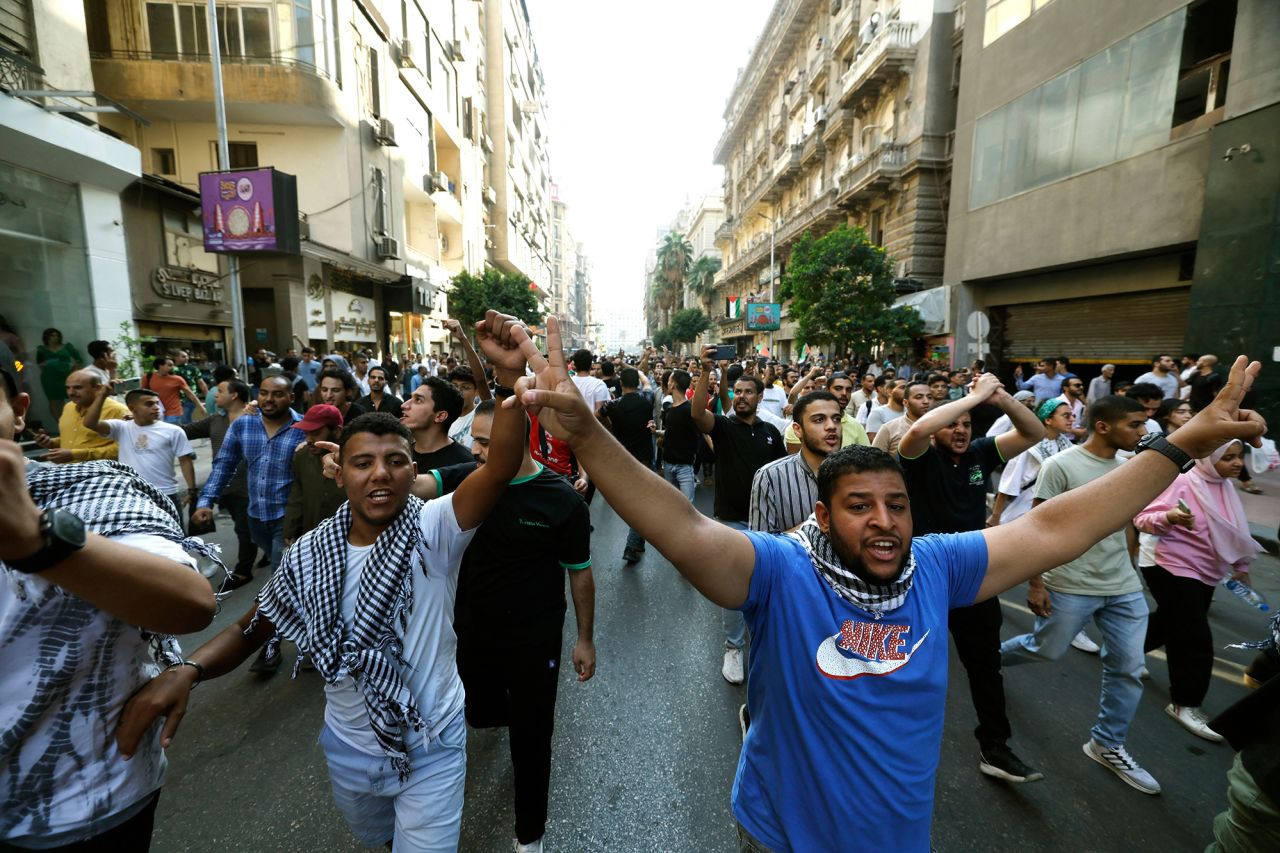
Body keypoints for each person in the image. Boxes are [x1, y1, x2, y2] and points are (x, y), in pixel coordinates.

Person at [510, 318, 1267, 851]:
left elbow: (1053, 527)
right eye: (860, 506)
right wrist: (586, 434)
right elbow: (684, 525)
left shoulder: (935, 565)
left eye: (896, 504)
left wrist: (1186, 441)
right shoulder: (783, 569)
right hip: (778, 831)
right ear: (822, 514)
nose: (884, 522)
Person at [115, 312, 536, 851]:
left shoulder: (437, 527)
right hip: (350, 749)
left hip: (433, 742)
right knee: (378, 840)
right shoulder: (310, 553)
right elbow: (254, 627)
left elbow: (499, 467)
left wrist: (507, 383)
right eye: (363, 462)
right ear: (341, 473)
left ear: (414, 473)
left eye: (395, 461)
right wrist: (191, 670)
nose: (380, 473)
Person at [0, 340, 217, 851]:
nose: (76, 394)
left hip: (79, 805)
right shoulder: (95, 416)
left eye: (83, 386)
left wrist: (36, 541)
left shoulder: (92, 487)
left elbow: (190, 601)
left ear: (17, 411)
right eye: (71, 389)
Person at [446, 400, 596, 853]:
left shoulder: (561, 499)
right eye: (473, 438)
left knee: (532, 739)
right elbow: (413, 483)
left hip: (535, 638)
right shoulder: (465, 479)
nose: (474, 450)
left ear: (520, 440)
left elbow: (580, 572)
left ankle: (530, 834)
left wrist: (585, 640)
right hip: (470, 633)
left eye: (486, 443)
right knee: (480, 713)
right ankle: (503, 709)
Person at [1000, 395, 1164, 795]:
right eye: (1135, 425)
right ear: (1104, 426)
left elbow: (1127, 525)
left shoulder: (1129, 468)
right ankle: (988, 662)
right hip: (1070, 583)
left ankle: (1106, 743)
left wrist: (1130, 567)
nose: (1143, 433)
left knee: (1127, 668)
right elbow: (1036, 527)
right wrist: (1036, 583)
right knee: (1046, 649)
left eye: (1144, 425)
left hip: (1122, 587)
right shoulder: (1061, 466)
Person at [897, 373, 1047, 784]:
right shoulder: (918, 456)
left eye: (967, 424)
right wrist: (973, 398)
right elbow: (917, 429)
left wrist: (1000, 398)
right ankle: (889, 746)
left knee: (985, 665)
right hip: (922, 576)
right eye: (954, 423)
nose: (961, 430)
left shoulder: (982, 453)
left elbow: (1033, 431)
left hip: (974, 575)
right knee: (903, 663)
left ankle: (995, 748)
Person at [1134, 440, 1262, 741]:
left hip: (1206, 569)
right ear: (1207, 459)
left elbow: (1234, 531)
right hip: (1169, 564)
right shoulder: (1182, 481)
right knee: (1194, 636)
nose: (1237, 463)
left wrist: (1241, 567)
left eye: (1239, 457)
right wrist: (1170, 517)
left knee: (1171, 621)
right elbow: (1142, 519)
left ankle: (1124, 652)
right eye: (1227, 457)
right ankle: (1185, 703)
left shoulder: (1224, 487)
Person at [690, 345, 785, 686]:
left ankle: (765, 646)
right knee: (735, 589)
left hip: (768, 525)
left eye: (748, 392)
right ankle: (733, 648)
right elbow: (697, 415)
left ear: (761, 397)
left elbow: (781, 476)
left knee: (770, 588)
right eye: (738, 391)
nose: (742, 397)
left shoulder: (773, 434)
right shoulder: (724, 428)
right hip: (731, 521)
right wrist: (705, 372)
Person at [190, 376, 301, 605]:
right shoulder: (243, 425)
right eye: (264, 393)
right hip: (256, 517)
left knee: (279, 577)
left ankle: (274, 626)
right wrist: (206, 501)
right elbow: (224, 465)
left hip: (288, 518)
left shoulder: (303, 429)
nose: (269, 399)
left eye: (277, 394)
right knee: (276, 561)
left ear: (291, 397)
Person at [183, 379, 259, 583]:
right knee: (245, 525)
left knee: (244, 529)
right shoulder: (215, 420)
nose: (214, 394)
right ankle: (266, 552)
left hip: (251, 484)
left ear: (234, 395)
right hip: (225, 485)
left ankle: (244, 571)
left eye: (220, 391)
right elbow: (184, 431)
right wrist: (145, 423)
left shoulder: (256, 416)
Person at [83, 386, 197, 512]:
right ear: (132, 408)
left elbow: (185, 460)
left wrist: (192, 490)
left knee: (174, 531)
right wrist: (102, 396)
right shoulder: (121, 428)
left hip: (166, 493)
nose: (156, 407)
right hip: (133, 494)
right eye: (149, 404)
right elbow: (89, 423)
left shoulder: (173, 431)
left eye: (157, 403)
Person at [749, 391, 841, 535]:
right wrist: (818, 524)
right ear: (798, 430)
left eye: (836, 419)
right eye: (819, 420)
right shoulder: (771, 477)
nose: (831, 426)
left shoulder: (857, 474)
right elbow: (764, 547)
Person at [601, 367, 656, 563]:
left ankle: (637, 542)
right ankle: (632, 545)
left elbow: (599, 413)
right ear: (637, 383)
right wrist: (640, 371)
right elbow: (648, 385)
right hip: (644, 459)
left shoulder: (614, 405)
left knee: (637, 500)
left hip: (623, 459)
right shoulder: (647, 398)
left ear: (621, 384)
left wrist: (611, 426)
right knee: (640, 502)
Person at [283, 404, 347, 545]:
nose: (309, 439)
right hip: (313, 536)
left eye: (315, 432)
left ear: (337, 431)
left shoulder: (354, 458)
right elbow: (297, 494)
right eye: (306, 433)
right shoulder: (301, 456)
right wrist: (290, 527)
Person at [33, 369, 128, 462]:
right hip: (66, 470)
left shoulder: (118, 410)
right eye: (68, 388)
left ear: (98, 388)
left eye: (77, 388)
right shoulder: (68, 407)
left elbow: (122, 448)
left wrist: (76, 454)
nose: (71, 393)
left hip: (100, 472)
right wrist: (51, 443)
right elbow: (74, 440)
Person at [784, 372, 868, 453]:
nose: (844, 393)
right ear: (826, 390)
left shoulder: (856, 425)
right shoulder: (800, 425)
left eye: (849, 390)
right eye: (838, 389)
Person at [401, 376, 474, 470]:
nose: (404, 405)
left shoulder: (466, 464)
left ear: (440, 416)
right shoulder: (400, 455)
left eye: (418, 400)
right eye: (411, 398)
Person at [655, 369, 699, 503]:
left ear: (673, 384)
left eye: (668, 381)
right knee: (672, 504)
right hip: (668, 464)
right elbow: (670, 433)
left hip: (684, 467)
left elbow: (696, 436)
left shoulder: (688, 410)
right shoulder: (669, 410)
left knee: (687, 506)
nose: (666, 384)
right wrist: (656, 433)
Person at [872, 379, 931, 456]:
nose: (926, 401)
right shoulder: (889, 429)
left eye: (930, 397)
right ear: (906, 402)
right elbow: (875, 461)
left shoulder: (941, 427)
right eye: (919, 397)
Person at [35, 327, 83, 422]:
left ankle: (75, 422)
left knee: (73, 398)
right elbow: (39, 364)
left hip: (66, 376)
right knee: (54, 401)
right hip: (50, 378)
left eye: (57, 335)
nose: (55, 337)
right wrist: (48, 364)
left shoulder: (67, 347)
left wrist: (73, 371)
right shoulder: (41, 350)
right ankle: (60, 424)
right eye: (52, 335)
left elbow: (78, 360)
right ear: (47, 337)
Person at [143, 356, 205, 425]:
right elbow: (143, 393)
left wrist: (200, 406)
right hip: (156, 411)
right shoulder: (148, 377)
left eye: (173, 365)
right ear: (160, 366)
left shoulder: (177, 379)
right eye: (169, 365)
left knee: (170, 432)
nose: (172, 367)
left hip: (174, 411)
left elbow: (189, 393)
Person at [865, 378, 907, 444]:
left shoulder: (910, 412)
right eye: (902, 387)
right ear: (889, 391)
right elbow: (873, 440)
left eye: (908, 388)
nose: (907, 391)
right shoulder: (878, 413)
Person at [171, 350, 208, 425]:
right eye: (183, 356)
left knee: (186, 420)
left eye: (187, 356)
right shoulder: (171, 369)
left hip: (190, 398)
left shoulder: (193, 369)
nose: (186, 358)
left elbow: (201, 383)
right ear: (176, 358)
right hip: (175, 399)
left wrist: (207, 395)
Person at [569, 349, 611, 414]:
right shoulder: (599, 385)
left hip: (569, 423)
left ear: (575, 364)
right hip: (591, 423)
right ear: (591, 364)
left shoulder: (567, 383)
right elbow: (600, 413)